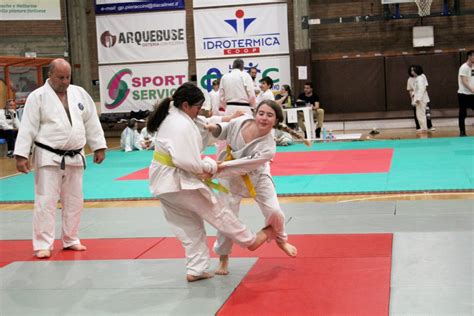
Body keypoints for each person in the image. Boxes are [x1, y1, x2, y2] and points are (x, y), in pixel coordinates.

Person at [147, 82, 275, 282]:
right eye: (198, 107)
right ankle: (250, 240)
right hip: (179, 181)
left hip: (163, 184)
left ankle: (196, 269)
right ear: (186, 105)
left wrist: (226, 119)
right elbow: (186, 161)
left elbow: (202, 125)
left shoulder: (174, 114)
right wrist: (211, 166)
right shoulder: (180, 125)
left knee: (190, 227)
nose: (200, 111)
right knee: (217, 211)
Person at [13, 58, 107, 259]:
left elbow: (91, 121)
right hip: (48, 156)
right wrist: (21, 155)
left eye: (67, 77)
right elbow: (27, 127)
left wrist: (98, 146)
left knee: (74, 201)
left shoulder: (79, 93)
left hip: (75, 156)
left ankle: (71, 238)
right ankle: (42, 244)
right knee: (45, 201)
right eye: (60, 77)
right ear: (50, 75)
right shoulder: (37, 97)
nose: (65, 81)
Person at [210, 100, 298, 275]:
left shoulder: (268, 147)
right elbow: (224, 130)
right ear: (255, 113)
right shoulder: (240, 122)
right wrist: (215, 128)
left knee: (275, 212)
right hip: (230, 178)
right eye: (261, 113)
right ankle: (223, 258)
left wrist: (216, 168)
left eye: (269, 115)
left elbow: (245, 164)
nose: (264, 118)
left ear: (276, 122)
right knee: (227, 218)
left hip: (257, 176)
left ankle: (281, 239)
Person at [407, 65, 434, 132]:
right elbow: (414, 90)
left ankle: (425, 128)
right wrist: (414, 98)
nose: (412, 72)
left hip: (421, 99)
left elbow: (422, 89)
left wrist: (418, 98)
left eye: (414, 70)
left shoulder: (421, 78)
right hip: (417, 99)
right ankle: (422, 127)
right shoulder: (414, 79)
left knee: (422, 114)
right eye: (412, 70)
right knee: (418, 114)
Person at [458, 50, 474, 137]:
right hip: (463, 94)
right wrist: (471, 88)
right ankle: (462, 131)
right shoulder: (463, 67)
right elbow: (464, 81)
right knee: (463, 113)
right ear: (469, 56)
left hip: (472, 95)